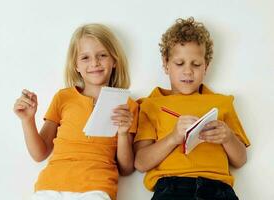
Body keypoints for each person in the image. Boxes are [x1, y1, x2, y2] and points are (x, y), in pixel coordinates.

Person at [13, 23, 138, 200]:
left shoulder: (127, 105)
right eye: (85, 58)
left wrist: (123, 133)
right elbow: (39, 153)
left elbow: (126, 169)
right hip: (50, 185)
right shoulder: (63, 98)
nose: (94, 63)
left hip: (96, 188)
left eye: (102, 55)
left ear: (114, 60)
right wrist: (27, 120)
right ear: (76, 65)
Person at [134, 17, 250, 200]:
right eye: (179, 64)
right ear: (165, 64)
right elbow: (140, 163)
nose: (188, 71)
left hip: (218, 189)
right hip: (171, 188)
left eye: (196, 64)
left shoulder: (222, 103)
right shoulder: (151, 105)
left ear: (206, 67)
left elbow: (241, 159)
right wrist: (173, 138)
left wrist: (227, 137)